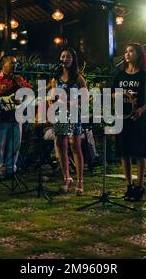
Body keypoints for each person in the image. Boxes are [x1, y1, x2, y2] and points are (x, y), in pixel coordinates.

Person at [113, 43, 146, 201]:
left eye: (131, 51)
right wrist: (120, 95)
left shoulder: (144, 76)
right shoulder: (119, 75)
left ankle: (140, 185)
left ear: (139, 54)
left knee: (139, 153)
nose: (127, 54)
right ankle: (129, 185)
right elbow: (112, 93)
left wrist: (141, 110)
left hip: (138, 119)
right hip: (123, 118)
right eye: (126, 51)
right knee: (124, 152)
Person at [49, 47, 86, 195]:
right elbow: (51, 96)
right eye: (63, 56)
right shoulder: (55, 78)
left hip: (74, 114)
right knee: (61, 146)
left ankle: (80, 181)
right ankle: (66, 178)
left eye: (68, 57)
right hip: (59, 115)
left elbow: (85, 96)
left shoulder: (78, 77)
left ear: (73, 59)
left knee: (75, 146)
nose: (65, 59)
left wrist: (72, 103)